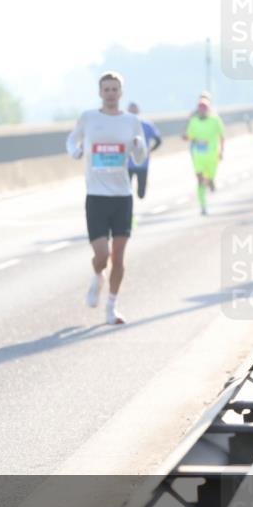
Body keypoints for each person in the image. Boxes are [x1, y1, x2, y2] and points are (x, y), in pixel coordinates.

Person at [66, 71, 147, 325]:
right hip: (96, 196)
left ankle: (111, 307)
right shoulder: (88, 117)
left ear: (120, 93)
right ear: (100, 93)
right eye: (106, 89)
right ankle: (97, 276)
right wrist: (75, 151)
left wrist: (138, 147)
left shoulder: (131, 121)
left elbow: (140, 158)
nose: (111, 94)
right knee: (102, 255)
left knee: (118, 258)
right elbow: (72, 140)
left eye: (115, 89)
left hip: (122, 196)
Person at [182, 96, 225, 215]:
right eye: (200, 108)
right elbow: (190, 135)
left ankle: (211, 181)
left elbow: (222, 136)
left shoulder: (215, 120)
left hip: (212, 156)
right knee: (200, 180)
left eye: (204, 108)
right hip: (198, 155)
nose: (202, 111)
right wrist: (185, 137)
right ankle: (203, 205)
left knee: (209, 178)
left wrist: (222, 151)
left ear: (208, 109)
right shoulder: (193, 120)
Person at [125, 102, 162, 200]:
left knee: (141, 194)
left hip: (142, 163)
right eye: (131, 111)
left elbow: (158, 140)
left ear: (138, 111)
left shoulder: (147, 125)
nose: (133, 113)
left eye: (134, 110)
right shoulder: (123, 126)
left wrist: (150, 150)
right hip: (127, 164)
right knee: (126, 191)